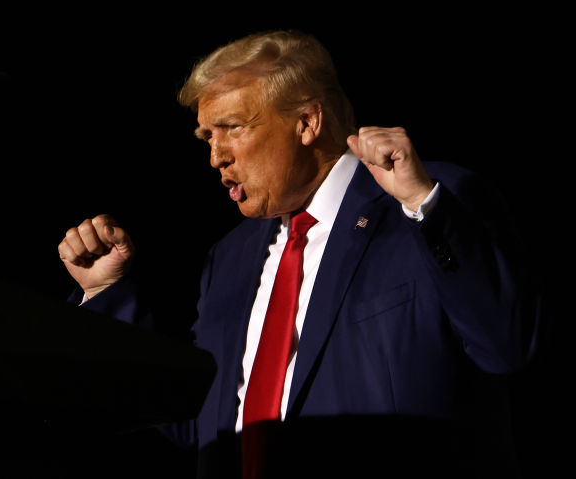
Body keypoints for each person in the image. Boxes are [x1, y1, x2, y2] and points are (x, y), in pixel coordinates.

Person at [55, 30, 541, 478]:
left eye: (231, 128)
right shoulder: (230, 257)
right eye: (207, 137)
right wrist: (105, 292)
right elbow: (195, 418)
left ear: (307, 122)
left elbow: (506, 346)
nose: (215, 156)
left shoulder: (427, 202)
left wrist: (422, 206)